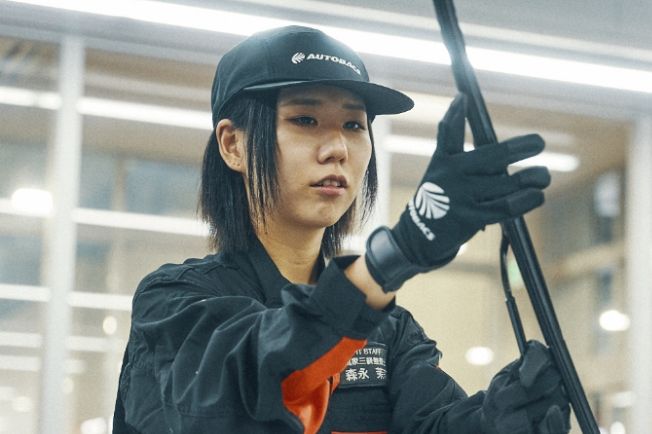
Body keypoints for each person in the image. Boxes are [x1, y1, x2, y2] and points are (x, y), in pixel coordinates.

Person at [113, 25, 570, 434]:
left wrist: (503, 415)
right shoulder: (175, 305)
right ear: (233, 145)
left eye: (354, 124)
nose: (337, 148)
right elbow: (253, 381)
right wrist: (396, 255)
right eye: (304, 120)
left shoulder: (388, 331)